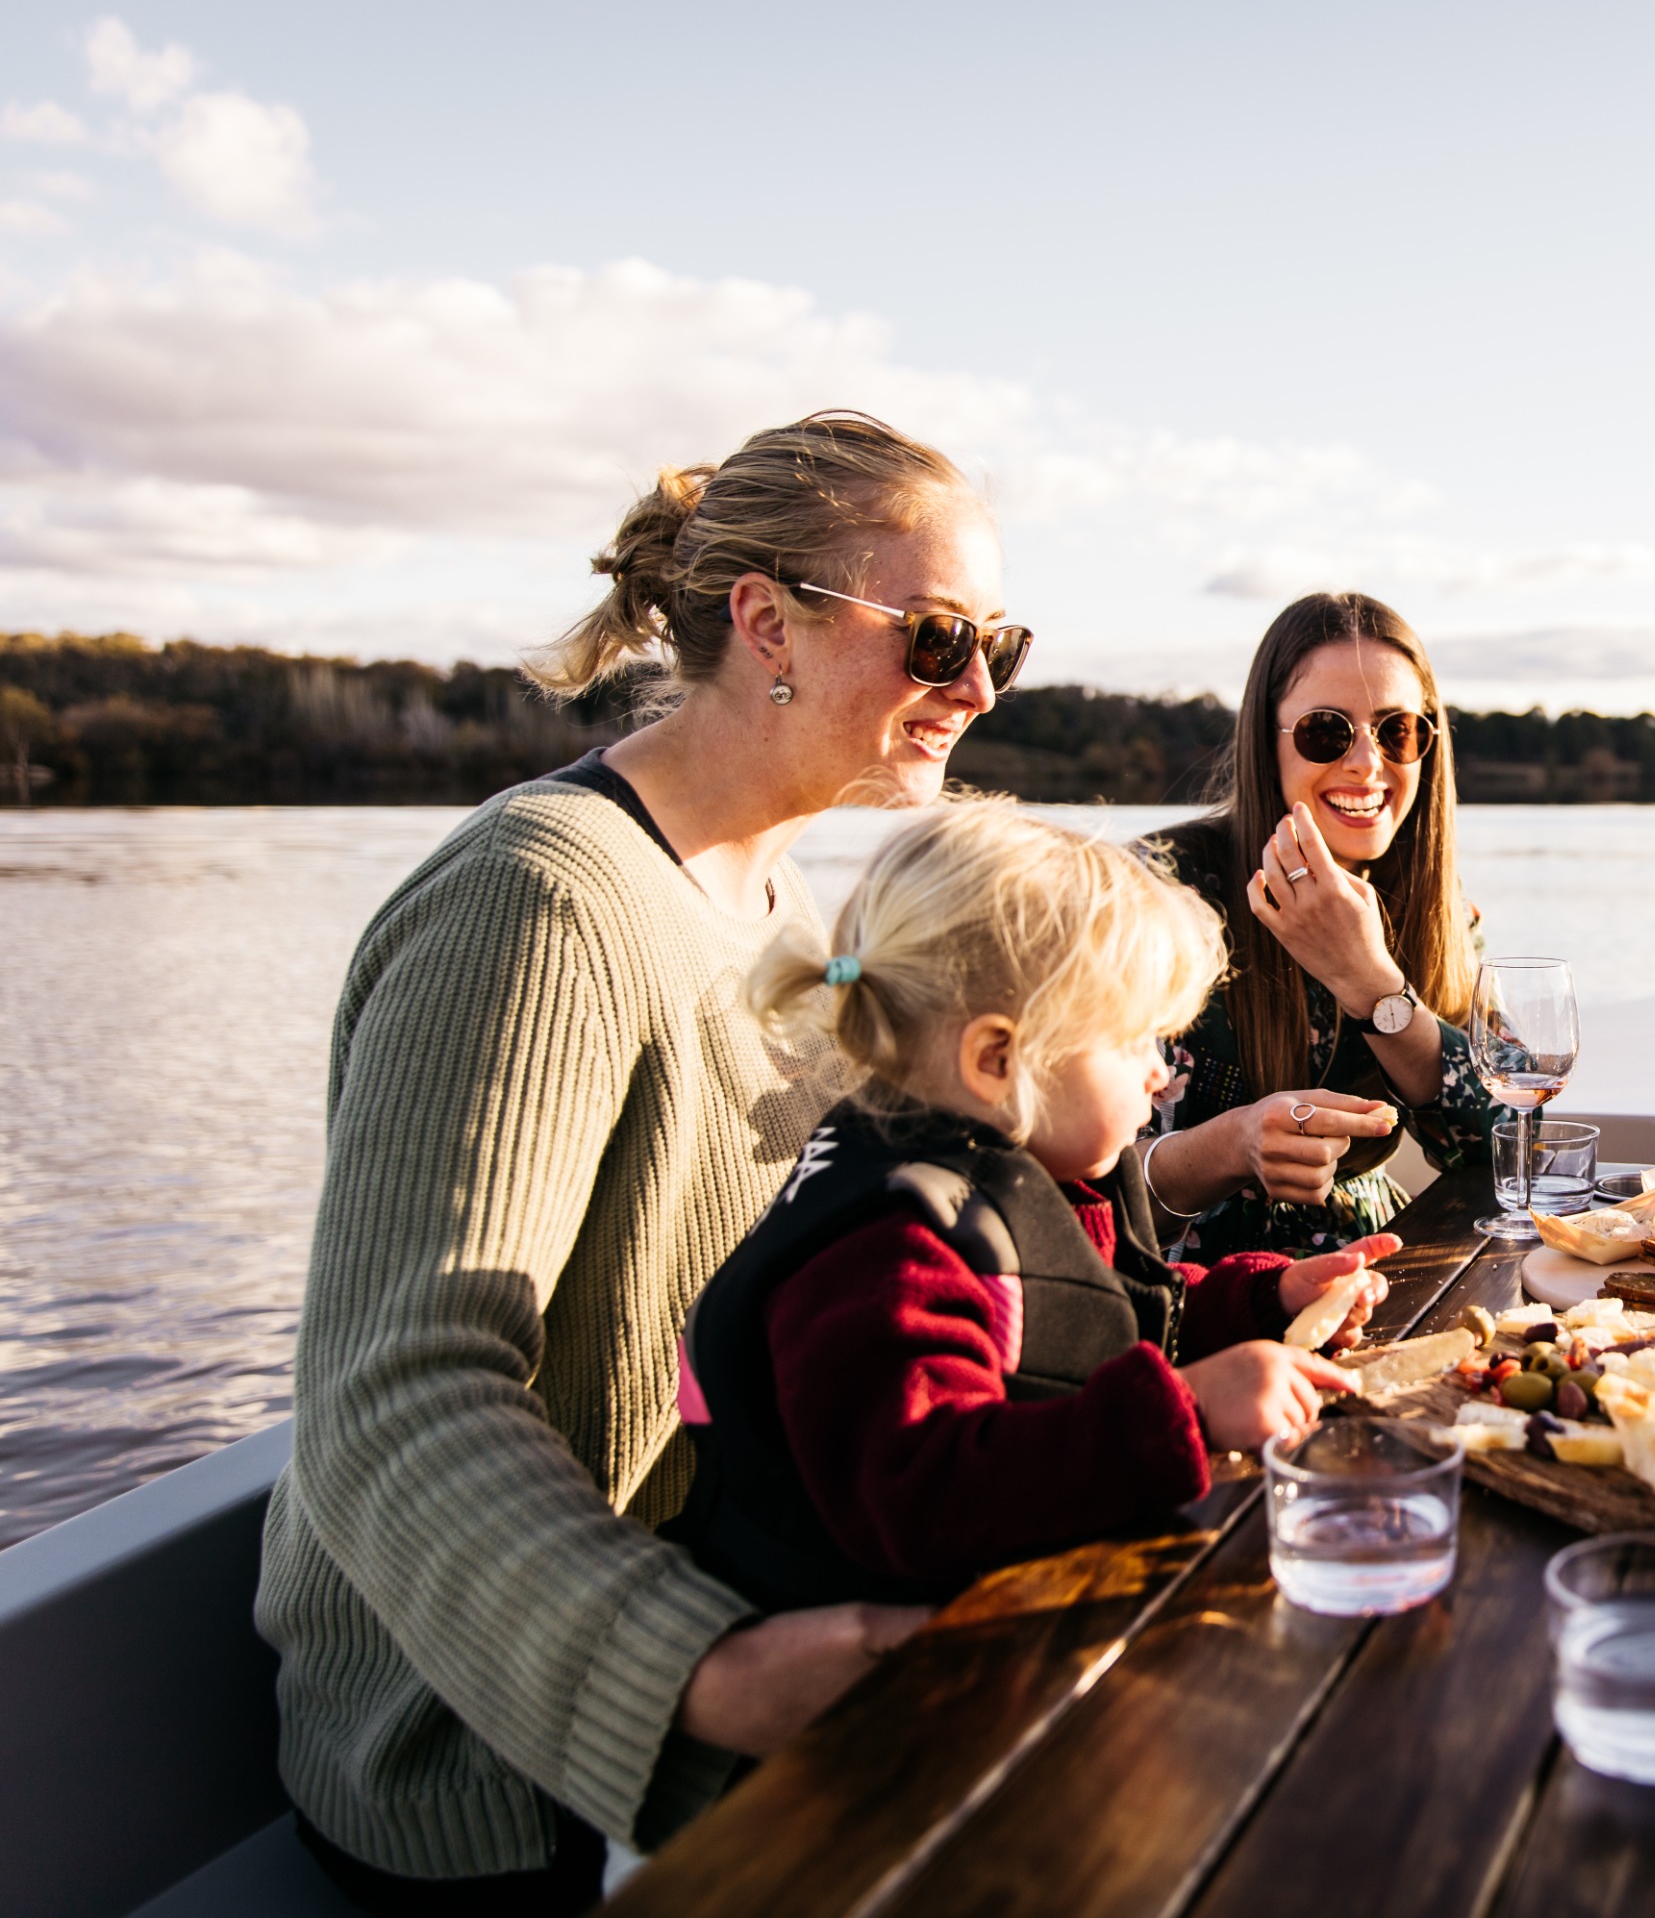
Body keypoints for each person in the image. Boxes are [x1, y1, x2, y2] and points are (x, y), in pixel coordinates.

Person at [255, 413, 1032, 1913]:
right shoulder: (540, 902)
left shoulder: (779, 903)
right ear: (767, 624)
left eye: (999, 639)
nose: (980, 689)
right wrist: (708, 1670)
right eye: (938, 637)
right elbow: (390, 1396)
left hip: (730, 1617)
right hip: (501, 1766)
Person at [668, 805, 1393, 1609]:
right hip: (882, 1686)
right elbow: (924, 1495)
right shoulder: (889, 1255)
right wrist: (1186, 1411)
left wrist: (1263, 1301)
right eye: (1134, 1042)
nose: (1161, 1073)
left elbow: (1100, 1321)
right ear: (996, 1061)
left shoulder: (1031, 1171)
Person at [1141, 592, 1502, 1254]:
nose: (1367, 764)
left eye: (1398, 730)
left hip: (1383, 1264)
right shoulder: (1155, 893)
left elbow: (1510, 1147)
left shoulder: (1441, 910)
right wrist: (1233, 1145)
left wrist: (1372, 985)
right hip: (1194, 1290)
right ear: (1266, 742)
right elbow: (1082, 1193)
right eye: (1327, 731)